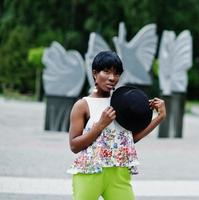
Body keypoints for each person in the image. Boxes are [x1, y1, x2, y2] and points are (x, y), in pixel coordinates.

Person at [67, 51, 166, 200]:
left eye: (116, 73)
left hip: (119, 173)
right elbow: (74, 146)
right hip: (89, 172)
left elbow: (129, 139)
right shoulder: (82, 105)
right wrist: (100, 125)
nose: (112, 78)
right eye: (106, 71)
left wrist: (159, 118)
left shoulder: (123, 102)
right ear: (95, 73)